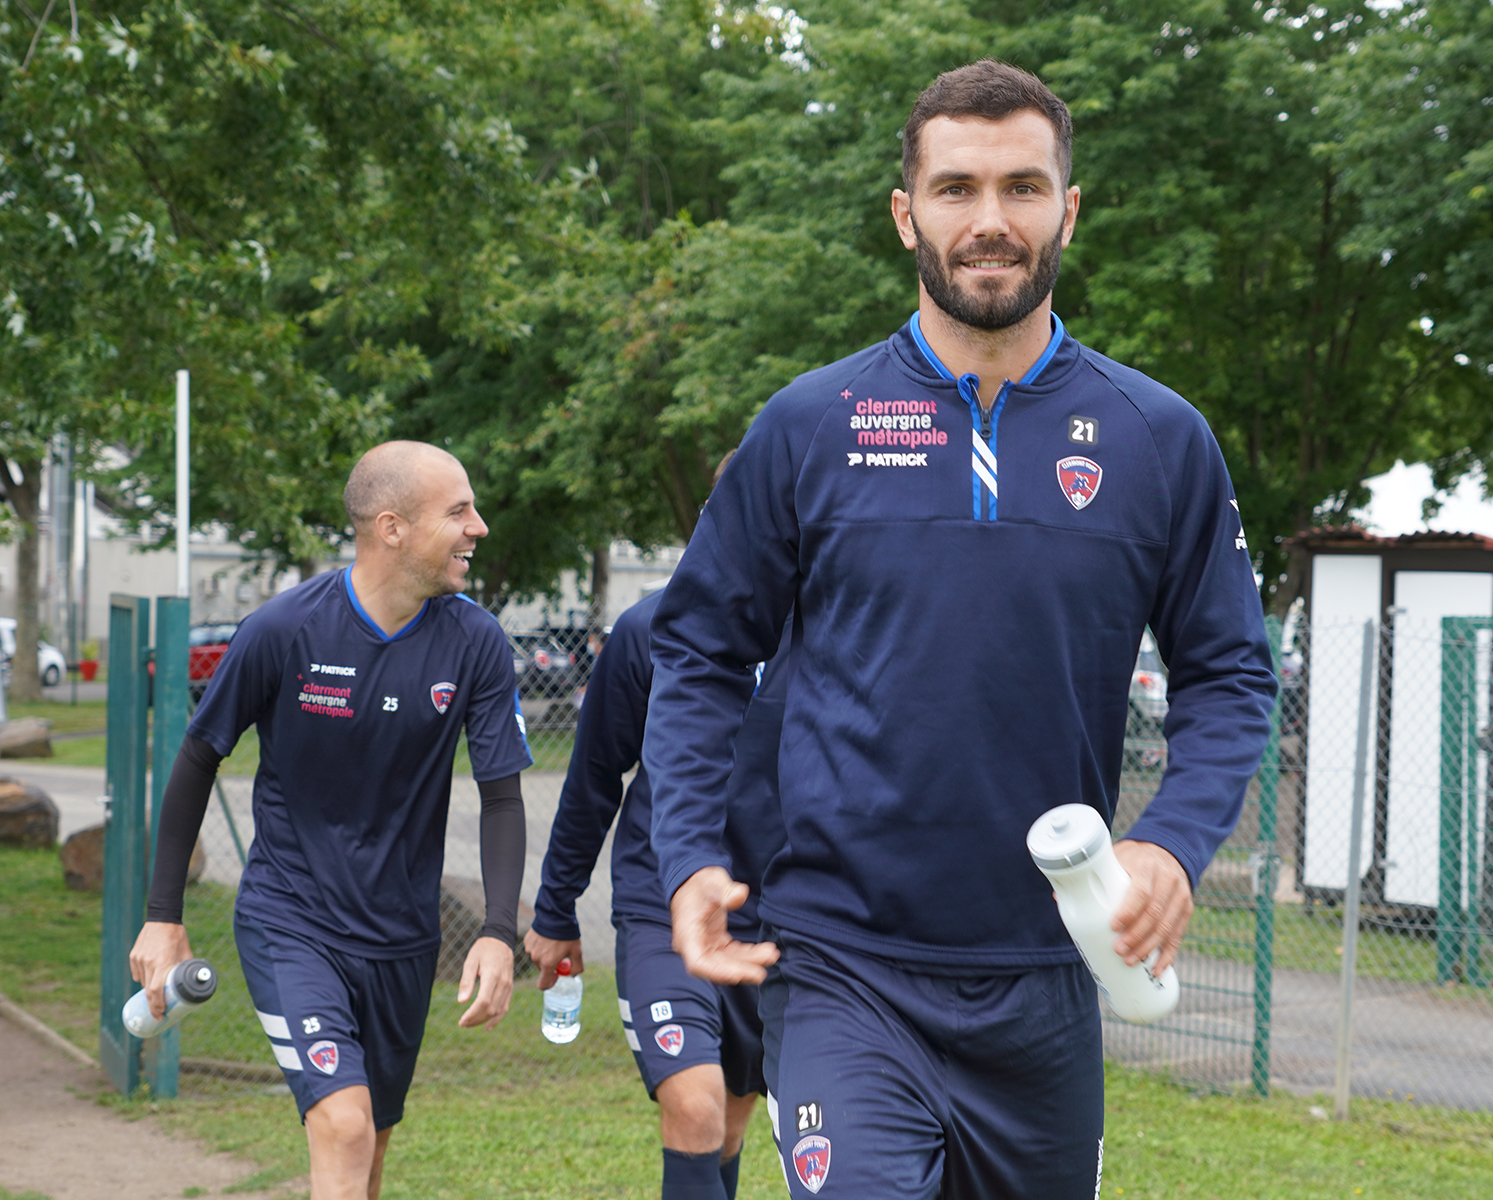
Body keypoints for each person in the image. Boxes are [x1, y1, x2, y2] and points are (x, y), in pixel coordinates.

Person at [642, 60, 1279, 1199]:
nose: (990, 220)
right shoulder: (810, 424)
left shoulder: (1159, 438)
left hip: (1050, 967)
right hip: (841, 962)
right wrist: (689, 854)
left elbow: (1230, 671)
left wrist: (1174, 842)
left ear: (1068, 210)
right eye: (956, 189)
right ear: (907, 214)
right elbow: (698, 653)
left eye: (1022, 187)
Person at [129, 441, 532, 1200]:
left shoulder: (475, 642)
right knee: (344, 1126)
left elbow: (503, 797)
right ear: (391, 528)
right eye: (458, 511)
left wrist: (497, 930)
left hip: (404, 939)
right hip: (293, 923)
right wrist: (163, 917)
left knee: (367, 1148)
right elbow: (197, 758)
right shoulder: (284, 629)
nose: (479, 527)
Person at [527, 451, 789, 1200]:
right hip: (664, 906)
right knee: (695, 1105)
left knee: (728, 1124)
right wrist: (555, 909)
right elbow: (593, 779)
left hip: (779, 915)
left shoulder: (827, 635)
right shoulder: (648, 630)